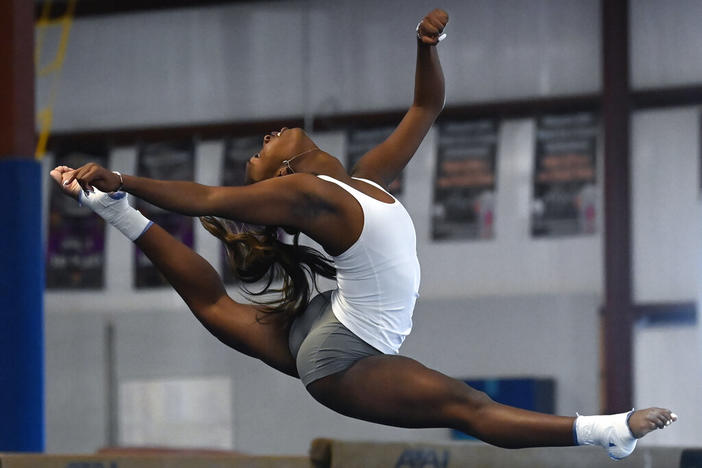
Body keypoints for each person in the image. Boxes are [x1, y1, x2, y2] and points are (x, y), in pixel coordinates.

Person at [50, 9, 676, 460]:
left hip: (328, 322)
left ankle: (113, 212)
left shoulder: (361, 182)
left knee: (215, 303)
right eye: (259, 155)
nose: (266, 141)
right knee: (467, 408)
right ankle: (604, 430)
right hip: (341, 355)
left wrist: (427, 46)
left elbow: (425, 109)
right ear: (284, 175)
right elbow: (211, 199)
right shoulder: (310, 195)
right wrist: (125, 176)